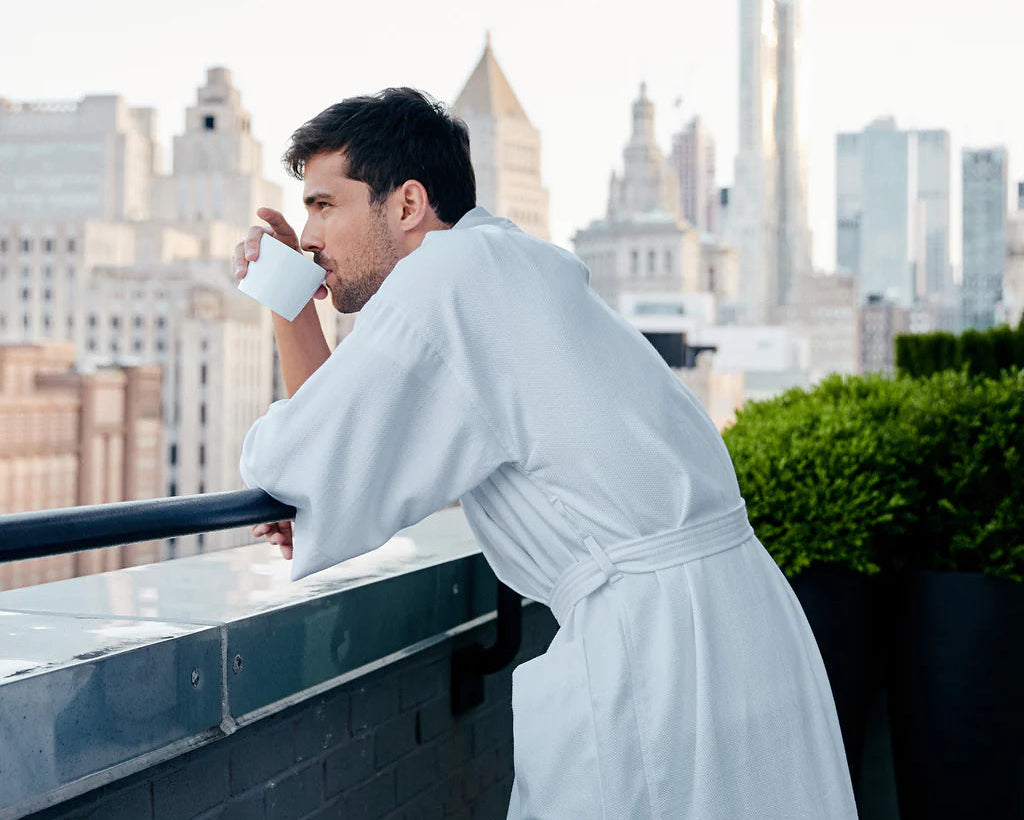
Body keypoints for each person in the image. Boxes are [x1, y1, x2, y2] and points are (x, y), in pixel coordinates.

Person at [235, 87, 858, 819]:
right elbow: (341, 452)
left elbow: (301, 465)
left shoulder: (446, 280)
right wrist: (314, 483)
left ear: (406, 205)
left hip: (657, 656)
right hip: (740, 623)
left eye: (323, 205)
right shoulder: (506, 261)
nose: (309, 236)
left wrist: (281, 296)